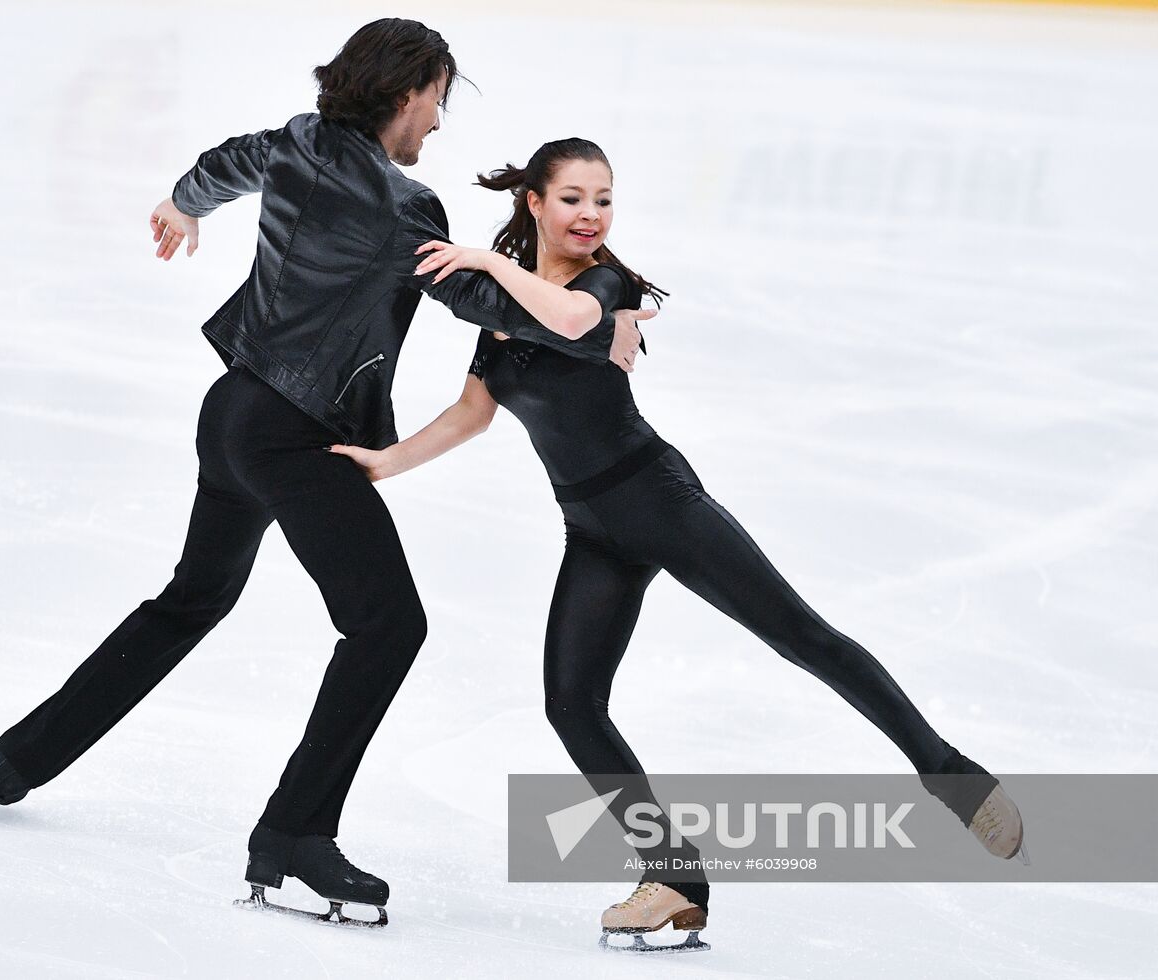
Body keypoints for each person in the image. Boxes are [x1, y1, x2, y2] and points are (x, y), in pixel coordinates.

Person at [0, 21, 651, 927]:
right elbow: (485, 303)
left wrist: (180, 205)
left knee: (193, 599)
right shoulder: (405, 209)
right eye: (438, 96)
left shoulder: (295, 142)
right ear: (407, 93)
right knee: (388, 626)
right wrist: (602, 305)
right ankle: (295, 835)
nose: (438, 119)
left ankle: (10, 764)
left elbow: (219, 163)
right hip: (297, 438)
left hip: (233, 411)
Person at [328, 137, 1027, 946]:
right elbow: (472, 413)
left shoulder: (604, 285)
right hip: (591, 527)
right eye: (573, 199)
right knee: (571, 704)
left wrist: (489, 263)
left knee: (801, 636)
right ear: (536, 203)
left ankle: (949, 774)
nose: (591, 215)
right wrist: (388, 461)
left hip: (660, 501)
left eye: (604, 199)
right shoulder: (504, 311)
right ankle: (674, 873)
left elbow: (572, 317)